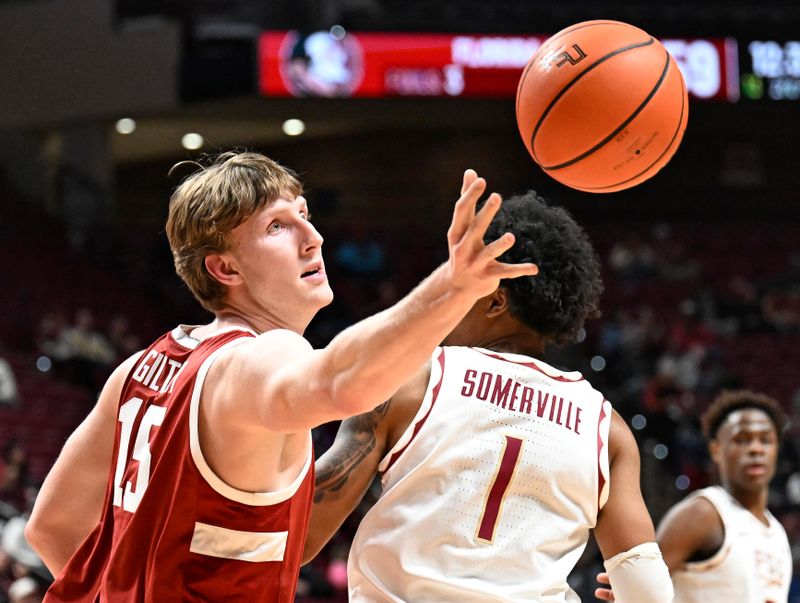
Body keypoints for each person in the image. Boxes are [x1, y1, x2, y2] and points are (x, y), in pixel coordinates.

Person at [24, 152, 537, 602]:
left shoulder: (140, 367)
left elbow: (53, 526)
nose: (313, 238)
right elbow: (343, 382)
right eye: (277, 227)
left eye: (304, 215)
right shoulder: (261, 359)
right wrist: (453, 287)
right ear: (225, 269)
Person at [304, 191, 674, 602]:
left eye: (464, 286)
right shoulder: (608, 431)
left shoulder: (410, 378)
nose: (452, 299)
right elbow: (648, 593)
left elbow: (301, 535)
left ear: (496, 300)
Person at [597, 389, 792, 602]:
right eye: (741, 439)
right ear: (716, 450)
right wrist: (629, 591)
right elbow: (639, 590)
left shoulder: (778, 533)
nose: (756, 449)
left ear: (777, 449)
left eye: (765, 440)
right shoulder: (703, 513)